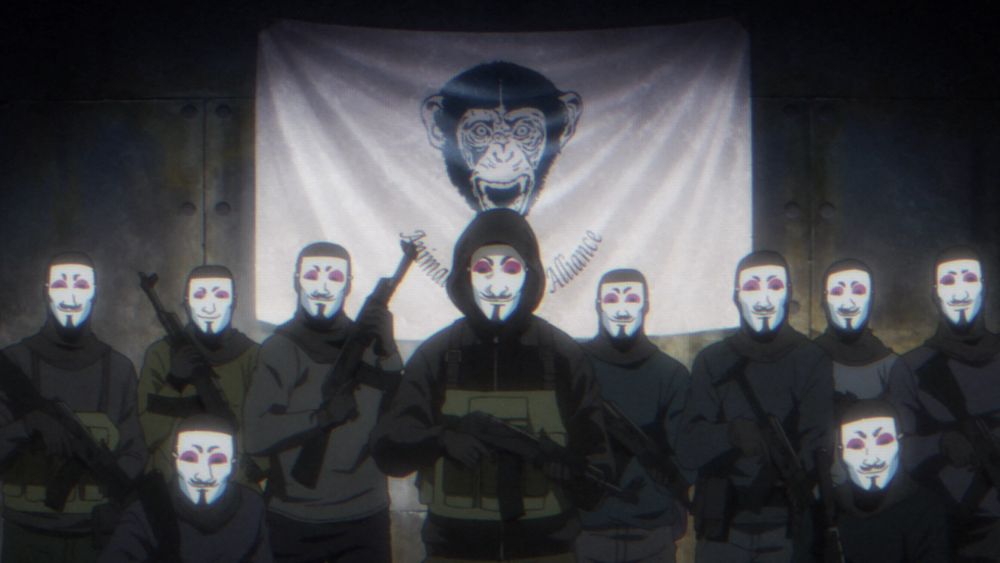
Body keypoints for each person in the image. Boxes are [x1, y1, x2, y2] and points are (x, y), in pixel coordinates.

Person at [371, 208, 613, 562]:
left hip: (545, 551)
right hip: (454, 551)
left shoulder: (562, 355)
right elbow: (389, 449)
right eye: (483, 268)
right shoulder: (439, 355)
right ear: (465, 272)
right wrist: (441, 439)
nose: (496, 285)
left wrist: (569, 473)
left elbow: (599, 469)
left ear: (529, 273)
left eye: (511, 268)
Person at [243, 242, 401, 563]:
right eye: (312, 275)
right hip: (293, 520)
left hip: (365, 517)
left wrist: (388, 352)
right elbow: (255, 436)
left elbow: (401, 422)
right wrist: (320, 419)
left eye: (335, 277)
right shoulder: (280, 348)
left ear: (348, 285)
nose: (323, 287)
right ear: (296, 280)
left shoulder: (373, 346)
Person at [676, 250, 832, 563]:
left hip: (788, 527)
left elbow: (819, 444)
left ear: (788, 293)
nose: (764, 298)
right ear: (736, 296)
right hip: (722, 525)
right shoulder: (711, 361)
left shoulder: (811, 359)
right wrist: (731, 435)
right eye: (752, 287)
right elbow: (689, 446)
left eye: (774, 285)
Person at [0, 251, 146, 562]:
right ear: (46, 292)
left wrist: (116, 499)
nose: (70, 296)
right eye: (60, 285)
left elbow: (135, 451)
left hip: (96, 536)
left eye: (80, 285)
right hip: (25, 532)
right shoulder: (14, 363)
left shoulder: (118, 370)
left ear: (94, 293)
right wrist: (27, 426)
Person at [887, 245, 1000, 561]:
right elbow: (895, 449)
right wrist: (940, 444)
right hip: (942, 529)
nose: (960, 291)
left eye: (969, 279)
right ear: (935, 294)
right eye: (949, 281)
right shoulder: (910, 368)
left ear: (984, 287)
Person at [575, 268, 691, 563]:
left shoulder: (672, 375)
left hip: (653, 533)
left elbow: (686, 459)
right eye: (612, 299)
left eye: (632, 299)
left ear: (646, 305)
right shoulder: (573, 369)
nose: (622, 309)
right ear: (598, 305)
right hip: (585, 532)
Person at [138, 264, 265, 486]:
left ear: (234, 301)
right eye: (200, 295)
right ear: (186, 302)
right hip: (170, 486)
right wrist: (175, 381)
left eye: (220, 295)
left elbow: (267, 428)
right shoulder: (161, 354)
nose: (209, 306)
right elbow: (144, 435)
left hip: (237, 485)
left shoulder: (254, 357)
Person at [99, 413, 272, 562]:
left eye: (217, 460)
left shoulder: (251, 507)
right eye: (190, 458)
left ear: (233, 465)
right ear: (175, 460)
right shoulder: (147, 509)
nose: (203, 474)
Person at [798, 399, 949, 562]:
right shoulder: (820, 514)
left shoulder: (925, 509)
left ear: (900, 444)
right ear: (841, 452)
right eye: (856, 445)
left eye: (883, 441)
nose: (871, 460)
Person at [814, 259, 897, 407]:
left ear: (871, 298)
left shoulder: (891, 365)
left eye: (858, 291)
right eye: (837, 292)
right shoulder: (806, 361)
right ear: (824, 299)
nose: (848, 304)